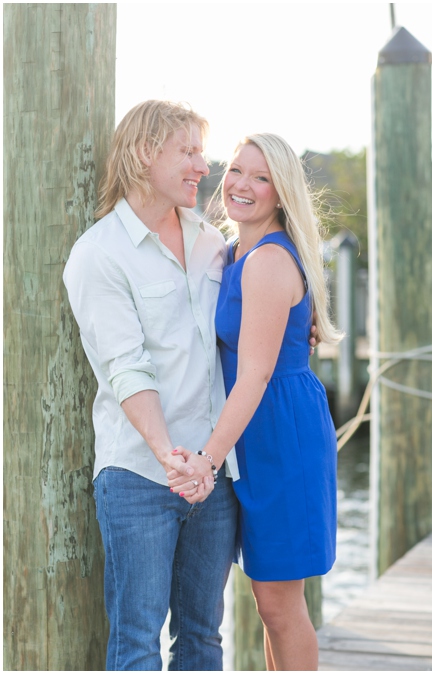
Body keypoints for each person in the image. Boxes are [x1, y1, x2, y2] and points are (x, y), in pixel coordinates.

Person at [63, 100, 241, 670]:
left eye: (200, 151)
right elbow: (126, 367)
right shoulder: (99, 255)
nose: (203, 165)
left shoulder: (214, 241)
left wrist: (303, 323)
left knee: (203, 637)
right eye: (187, 151)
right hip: (141, 474)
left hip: (213, 475)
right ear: (144, 153)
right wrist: (171, 459)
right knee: (136, 641)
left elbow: (243, 322)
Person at [167, 133, 341, 671]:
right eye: (237, 170)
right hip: (254, 430)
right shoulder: (231, 250)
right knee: (267, 602)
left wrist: (207, 458)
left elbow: (257, 374)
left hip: (280, 433)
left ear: (282, 193)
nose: (242, 184)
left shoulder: (266, 260)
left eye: (260, 177)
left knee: (279, 603)